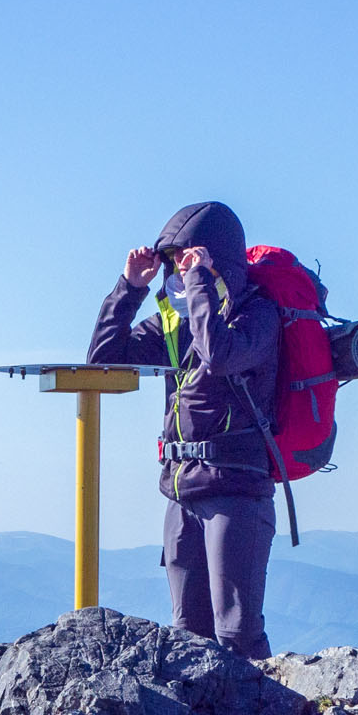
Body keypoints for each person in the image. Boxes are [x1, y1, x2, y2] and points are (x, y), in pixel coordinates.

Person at [89, 201, 281, 658]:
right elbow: (103, 359)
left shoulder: (258, 316)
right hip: (181, 489)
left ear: (218, 260)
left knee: (236, 634)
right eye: (175, 262)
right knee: (189, 635)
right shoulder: (175, 320)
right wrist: (129, 288)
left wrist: (199, 286)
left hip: (236, 489)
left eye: (190, 258)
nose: (179, 269)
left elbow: (219, 355)